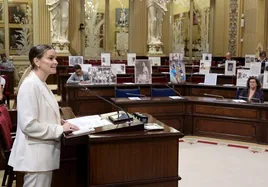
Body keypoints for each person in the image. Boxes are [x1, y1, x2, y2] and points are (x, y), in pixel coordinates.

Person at [8, 44, 79, 187]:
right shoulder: (30, 85)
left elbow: (41, 113)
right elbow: (29, 125)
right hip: (35, 157)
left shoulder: (41, 83)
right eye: (51, 58)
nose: (56, 62)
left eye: (56, 58)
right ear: (37, 61)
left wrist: (58, 121)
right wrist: (60, 129)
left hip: (42, 155)